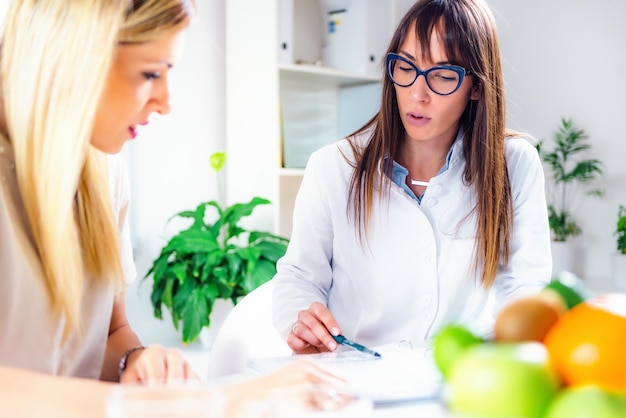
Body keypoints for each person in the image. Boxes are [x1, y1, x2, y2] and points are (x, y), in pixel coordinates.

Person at [0, 0, 340, 415]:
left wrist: (135, 363)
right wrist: (212, 401)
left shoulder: (105, 172)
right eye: (150, 73)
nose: (165, 102)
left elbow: (111, 335)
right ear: (73, 56)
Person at [272, 0, 552, 354]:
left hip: (464, 377)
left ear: (477, 87)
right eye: (405, 67)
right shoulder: (332, 166)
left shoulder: (514, 164)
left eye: (443, 76)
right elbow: (298, 277)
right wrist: (301, 319)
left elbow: (525, 283)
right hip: (354, 372)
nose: (418, 94)